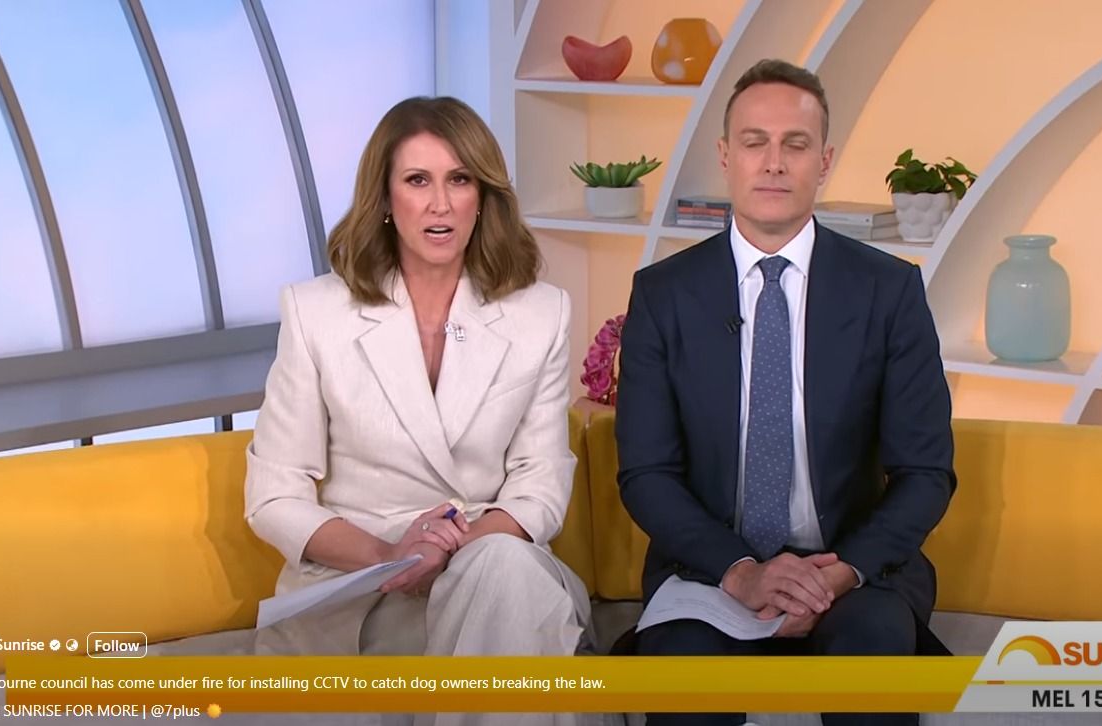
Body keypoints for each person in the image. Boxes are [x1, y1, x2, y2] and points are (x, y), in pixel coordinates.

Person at [615, 59, 957, 726]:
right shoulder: (663, 295)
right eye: (755, 142)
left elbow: (925, 473)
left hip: (849, 570)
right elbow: (646, 474)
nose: (773, 163)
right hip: (710, 570)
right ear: (725, 156)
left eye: (794, 145)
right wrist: (741, 570)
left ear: (823, 162)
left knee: (872, 664)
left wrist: (841, 572)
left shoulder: (887, 291)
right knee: (682, 679)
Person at [243, 96, 590, 726]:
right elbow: (274, 496)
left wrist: (450, 555)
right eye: (417, 181)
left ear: (482, 197)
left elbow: (541, 479)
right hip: (362, 581)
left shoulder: (542, 313)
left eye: (459, 180)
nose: (440, 204)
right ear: (384, 197)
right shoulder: (316, 312)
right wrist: (392, 557)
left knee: (506, 576)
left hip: (486, 561)